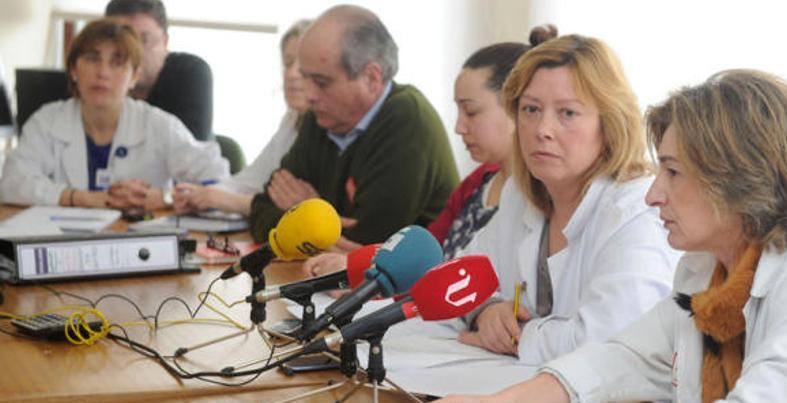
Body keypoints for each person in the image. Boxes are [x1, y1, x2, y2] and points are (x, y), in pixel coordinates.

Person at [399, 69, 787, 403]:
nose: (653, 194)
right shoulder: (706, 265)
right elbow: (626, 356)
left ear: (737, 178)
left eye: (671, 172)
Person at [456, 31, 679, 364]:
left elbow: (613, 341)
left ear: (610, 124)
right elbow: (461, 277)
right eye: (530, 109)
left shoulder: (637, 209)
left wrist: (520, 337)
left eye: (567, 113)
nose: (542, 129)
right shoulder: (523, 193)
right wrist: (486, 312)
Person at [302, 35, 532, 278]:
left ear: (516, 107)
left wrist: (365, 272)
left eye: (471, 112)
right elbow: (426, 259)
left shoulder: (536, 196)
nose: (459, 127)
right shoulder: (478, 183)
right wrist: (361, 262)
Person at [248, 4, 459, 249]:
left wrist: (309, 215)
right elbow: (260, 212)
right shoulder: (321, 117)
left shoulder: (407, 120)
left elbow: (367, 245)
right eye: (306, 78)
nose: (309, 94)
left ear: (371, 78)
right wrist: (320, 222)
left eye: (321, 82)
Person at [0, 19, 228, 210]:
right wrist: (81, 197)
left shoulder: (159, 125)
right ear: (73, 69)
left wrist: (166, 197)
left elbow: (218, 182)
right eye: (92, 59)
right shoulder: (47, 120)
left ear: (135, 76)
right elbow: (12, 183)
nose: (103, 73)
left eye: (117, 62)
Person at [172, 19, 312, 216]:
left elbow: (286, 207)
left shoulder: (332, 131)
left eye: (304, 65)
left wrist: (222, 199)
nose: (291, 74)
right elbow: (251, 181)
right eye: (287, 63)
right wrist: (202, 195)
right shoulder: (291, 120)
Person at [105, 0, 213, 140]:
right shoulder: (93, 78)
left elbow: (191, 148)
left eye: (144, 40)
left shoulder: (190, 72)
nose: (132, 52)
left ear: (165, 41)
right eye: (121, 41)